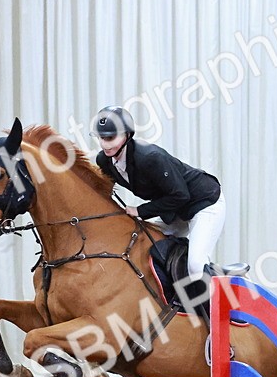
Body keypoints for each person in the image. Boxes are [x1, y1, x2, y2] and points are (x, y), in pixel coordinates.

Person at [90, 106, 225, 282]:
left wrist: (139, 211)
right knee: (142, 242)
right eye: (101, 138)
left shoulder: (150, 157)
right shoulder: (104, 160)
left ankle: (218, 294)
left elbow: (180, 195)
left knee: (195, 265)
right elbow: (104, 190)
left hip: (204, 203)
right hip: (176, 210)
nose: (104, 144)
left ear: (127, 135)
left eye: (110, 138)